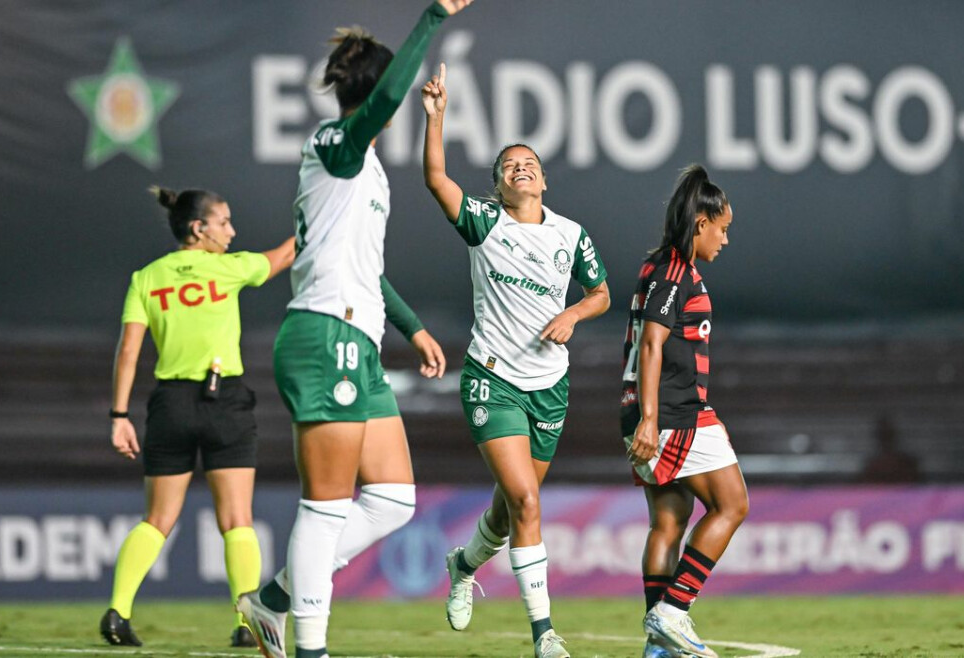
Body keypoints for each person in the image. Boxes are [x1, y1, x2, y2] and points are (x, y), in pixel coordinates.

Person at [234, 4, 470, 658]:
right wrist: (432, 17)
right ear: (375, 94)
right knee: (326, 508)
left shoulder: (367, 171)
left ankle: (274, 600)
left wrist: (413, 327)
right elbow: (386, 98)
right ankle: (310, 648)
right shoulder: (335, 147)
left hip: (358, 340)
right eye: (389, 90)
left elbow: (367, 269)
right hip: (322, 336)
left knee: (393, 499)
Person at [422, 63, 611, 658]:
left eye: (528, 162)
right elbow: (435, 179)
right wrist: (437, 118)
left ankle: (463, 564)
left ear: (544, 181)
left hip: (549, 386)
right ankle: (543, 634)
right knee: (529, 501)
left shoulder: (571, 235)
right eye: (508, 165)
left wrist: (573, 315)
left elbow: (603, 293)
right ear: (499, 186)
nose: (519, 167)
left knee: (509, 508)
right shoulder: (484, 223)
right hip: (493, 379)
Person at [101, 186, 295, 648]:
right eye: (224, 222)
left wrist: (119, 414)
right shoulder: (228, 269)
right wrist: (325, 211)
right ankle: (247, 622)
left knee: (157, 519)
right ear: (198, 229)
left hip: (169, 404)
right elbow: (286, 254)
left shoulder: (146, 278)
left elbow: (129, 350)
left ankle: (117, 612)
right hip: (224, 400)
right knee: (237, 519)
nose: (232, 231)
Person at [622, 166, 748, 658]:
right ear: (701, 222)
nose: (726, 239)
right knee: (733, 503)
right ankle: (673, 611)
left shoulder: (660, 267)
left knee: (669, 523)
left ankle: (659, 646)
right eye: (723, 228)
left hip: (657, 413)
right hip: (672, 416)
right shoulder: (674, 271)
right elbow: (652, 346)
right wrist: (652, 419)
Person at [860, 413, 920, 484]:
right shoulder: (872, 465)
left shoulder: (906, 463)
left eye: (887, 435)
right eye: (883, 435)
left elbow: (912, 484)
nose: (885, 439)